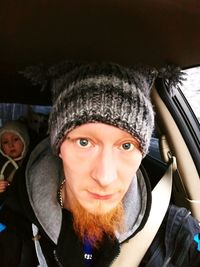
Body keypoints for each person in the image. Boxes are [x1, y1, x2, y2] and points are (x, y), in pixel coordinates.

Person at [0, 62, 199, 267]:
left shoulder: (175, 234)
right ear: (58, 147)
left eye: (127, 145)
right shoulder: (11, 225)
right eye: (84, 142)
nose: (105, 177)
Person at [0, 120, 30, 204]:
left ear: (24, 139)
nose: (11, 145)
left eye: (15, 139)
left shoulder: (31, 162)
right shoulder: (1, 163)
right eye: (5, 142)